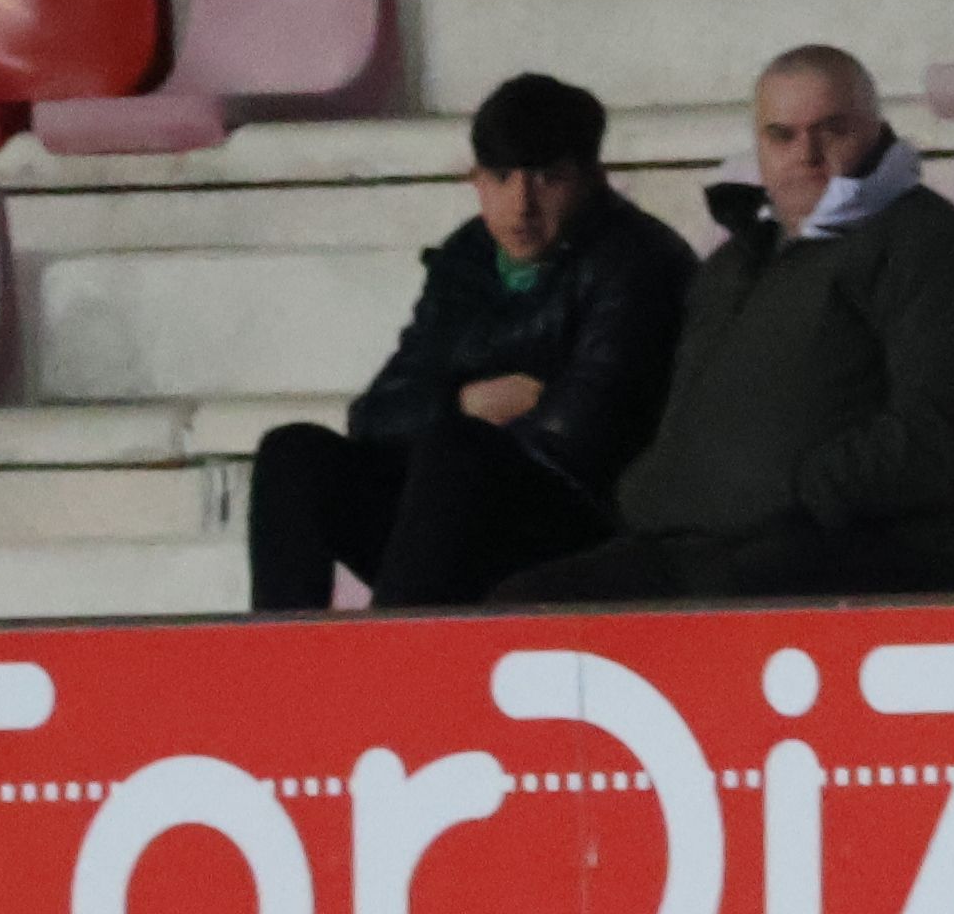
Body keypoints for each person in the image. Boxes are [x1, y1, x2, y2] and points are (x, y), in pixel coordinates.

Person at [488, 47, 954, 611]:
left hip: (860, 549)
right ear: (759, 148)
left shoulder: (927, 245)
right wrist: (653, 489)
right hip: (705, 546)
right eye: (782, 136)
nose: (807, 155)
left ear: (877, 130)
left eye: (831, 130)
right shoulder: (732, 264)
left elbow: (943, 427)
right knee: (519, 604)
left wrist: (793, 492)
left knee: (715, 605)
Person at [239, 73, 689, 616]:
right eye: (501, 177)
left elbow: (587, 435)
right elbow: (376, 414)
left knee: (457, 452)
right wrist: (465, 403)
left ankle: (394, 660)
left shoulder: (638, 259)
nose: (521, 204)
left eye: (548, 179)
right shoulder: (469, 255)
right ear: (475, 180)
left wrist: (465, 430)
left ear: (593, 177)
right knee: (295, 453)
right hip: (448, 519)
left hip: (578, 528)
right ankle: (278, 663)